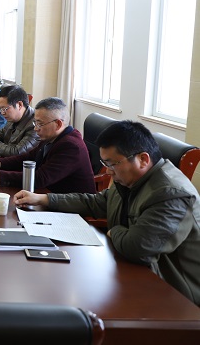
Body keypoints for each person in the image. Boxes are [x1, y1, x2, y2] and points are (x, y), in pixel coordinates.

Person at [14, 121, 200, 306]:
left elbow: (138, 248)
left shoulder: (171, 194)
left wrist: (114, 230)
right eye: (105, 163)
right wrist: (43, 199)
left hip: (177, 298)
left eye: (112, 164)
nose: (108, 171)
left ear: (143, 159)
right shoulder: (130, 180)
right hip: (133, 273)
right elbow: (96, 202)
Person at [0, 97, 95, 194]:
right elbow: (29, 157)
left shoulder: (71, 146)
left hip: (71, 208)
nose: (36, 128)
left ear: (58, 124)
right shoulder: (52, 136)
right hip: (47, 194)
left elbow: (40, 178)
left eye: (40, 124)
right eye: (35, 123)